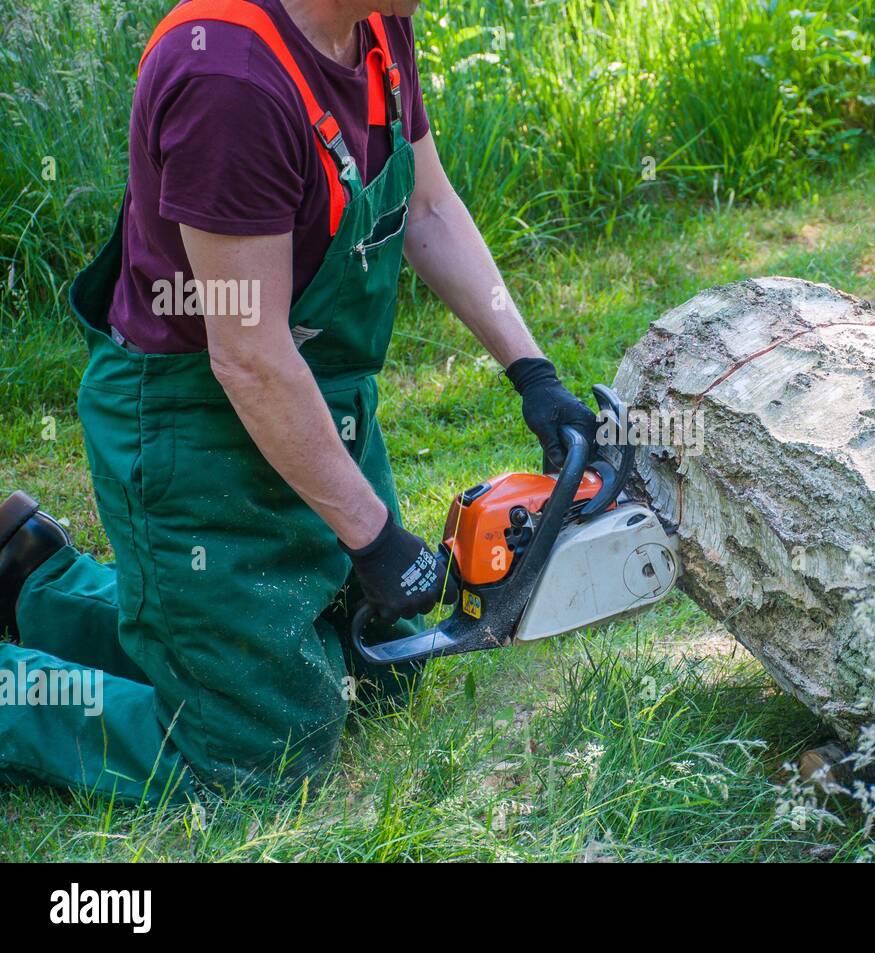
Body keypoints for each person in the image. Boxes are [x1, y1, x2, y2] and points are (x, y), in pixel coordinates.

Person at [0, 0, 596, 803]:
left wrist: (533, 372)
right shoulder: (229, 80)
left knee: (372, 673)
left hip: (319, 406)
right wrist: (374, 536)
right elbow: (248, 355)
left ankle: (34, 581)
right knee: (259, 758)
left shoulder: (375, 26)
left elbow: (427, 206)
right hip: (195, 425)